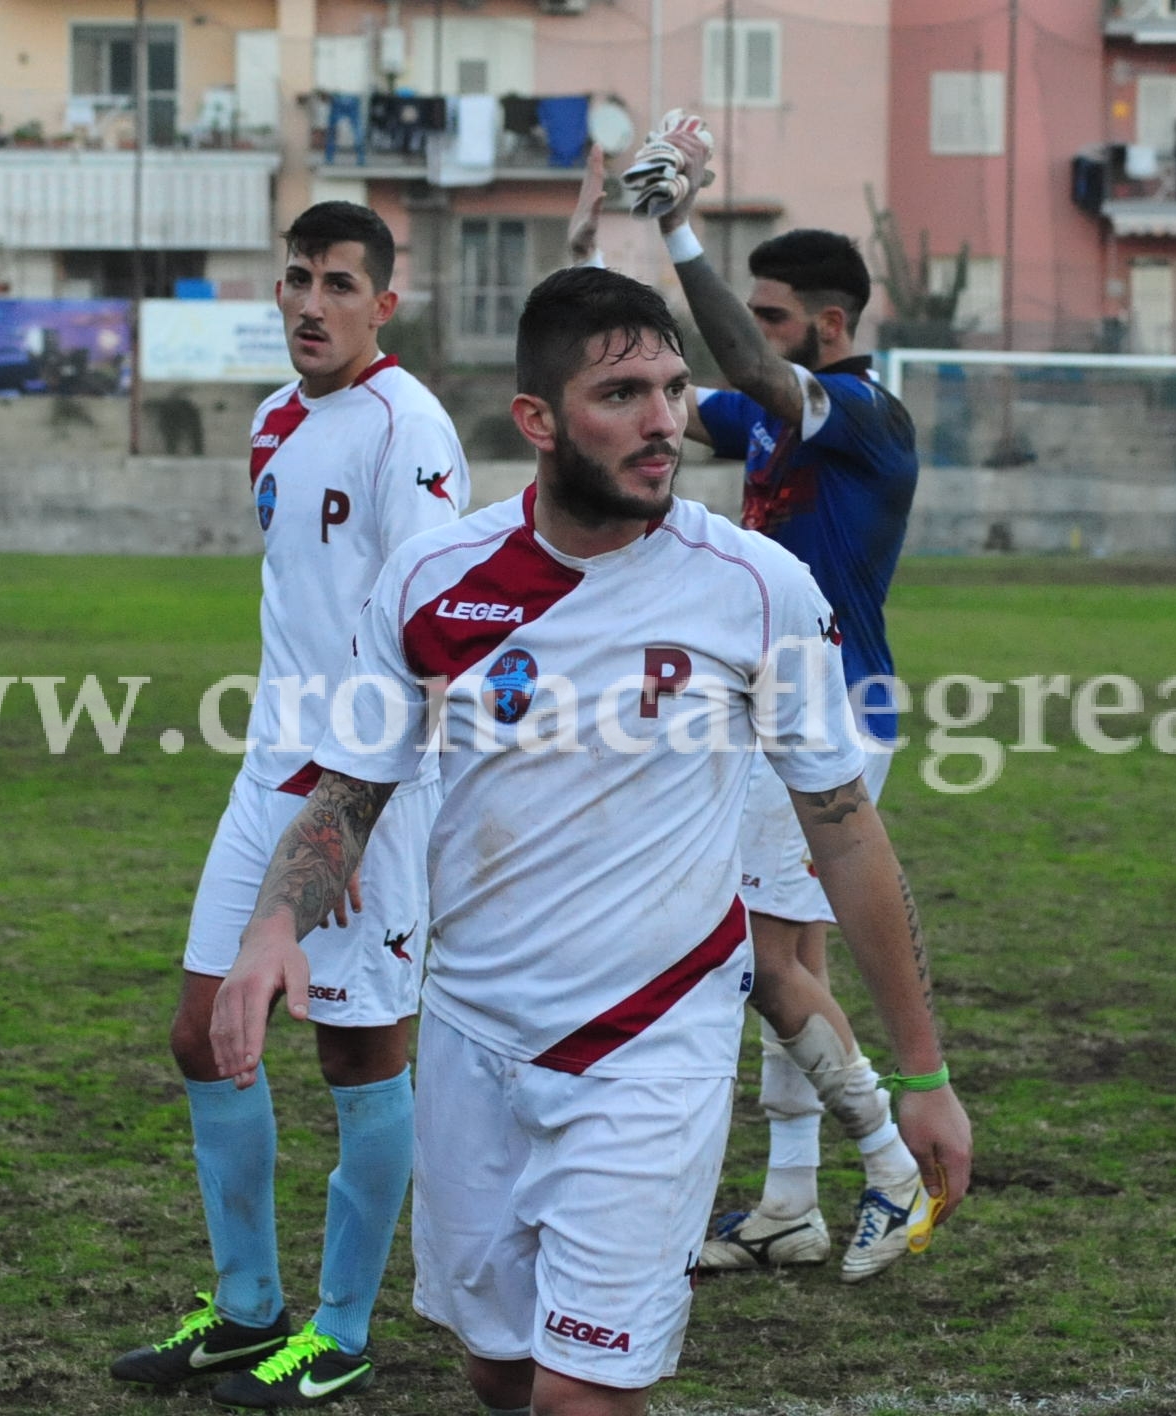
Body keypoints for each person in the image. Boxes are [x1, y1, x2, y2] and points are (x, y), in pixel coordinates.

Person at [208, 265, 971, 1416]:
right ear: (537, 420)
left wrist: (922, 1075)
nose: (663, 421)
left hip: (652, 1046)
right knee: (499, 1372)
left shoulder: (756, 588)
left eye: (671, 388)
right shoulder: (433, 582)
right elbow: (349, 789)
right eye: (621, 394)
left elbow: (847, 836)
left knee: (582, 1393)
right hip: (471, 1036)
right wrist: (276, 925)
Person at [108, 200, 470, 1406]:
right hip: (265, 777)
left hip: (362, 792)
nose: (311, 303)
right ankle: (246, 1308)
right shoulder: (270, 424)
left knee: (360, 1057)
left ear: (384, 303)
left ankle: (341, 1327)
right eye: (298, 279)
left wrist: (358, 806)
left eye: (339, 284)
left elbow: (429, 628)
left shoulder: (408, 425)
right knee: (205, 1036)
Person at [579, 118, 926, 1282]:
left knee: (759, 960)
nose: (753, 337)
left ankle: (891, 1163)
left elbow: (745, 372)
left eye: (774, 314)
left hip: (825, 722)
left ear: (830, 326)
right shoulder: (779, 416)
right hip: (779, 716)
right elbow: (662, 387)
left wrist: (679, 227)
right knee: (787, 956)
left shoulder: (862, 415)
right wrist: (605, 232)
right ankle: (787, 1202)